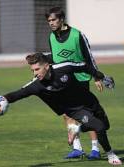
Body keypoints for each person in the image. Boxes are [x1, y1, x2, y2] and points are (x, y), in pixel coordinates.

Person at [0, 53, 122, 165]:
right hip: (75, 110)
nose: (35, 73)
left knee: (105, 125)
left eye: (37, 69)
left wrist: (101, 77)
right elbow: (18, 94)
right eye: (32, 70)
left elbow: (84, 66)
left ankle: (78, 127)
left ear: (47, 66)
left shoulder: (64, 67)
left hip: (89, 99)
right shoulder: (36, 85)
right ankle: (111, 155)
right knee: (99, 127)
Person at [45, 7, 105, 159]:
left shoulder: (77, 35)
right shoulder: (51, 37)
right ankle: (78, 149)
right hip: (62, 81)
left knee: (87, 114)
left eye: (53, 20)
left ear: (62, 19)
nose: (51, 23)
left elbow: (89, 57)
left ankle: (95, 149)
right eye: (49, 21)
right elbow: (55, 58)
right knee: (66, 113)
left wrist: (96, 77)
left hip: (81, 79)